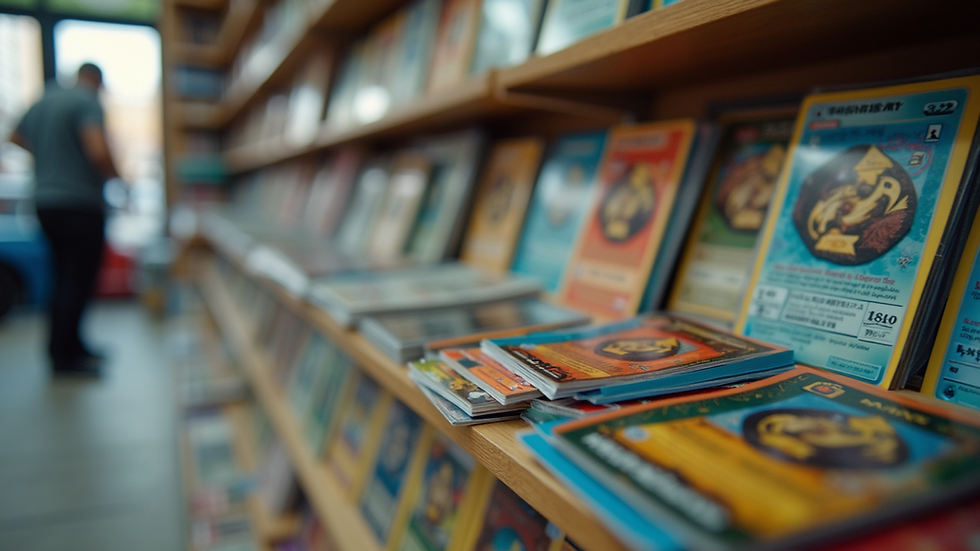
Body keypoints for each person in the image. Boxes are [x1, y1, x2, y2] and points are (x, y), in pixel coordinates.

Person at [8, 62, 122, 376]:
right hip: (79, 203)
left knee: (62, 277)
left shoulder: (44, 100)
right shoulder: (86, 101)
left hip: (45, 203)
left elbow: (14, 136)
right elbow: (98, 151)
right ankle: (66, 358)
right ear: (96, 81)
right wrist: (119, 177)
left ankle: (68, 347)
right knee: (79, 279)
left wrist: (49, 156)